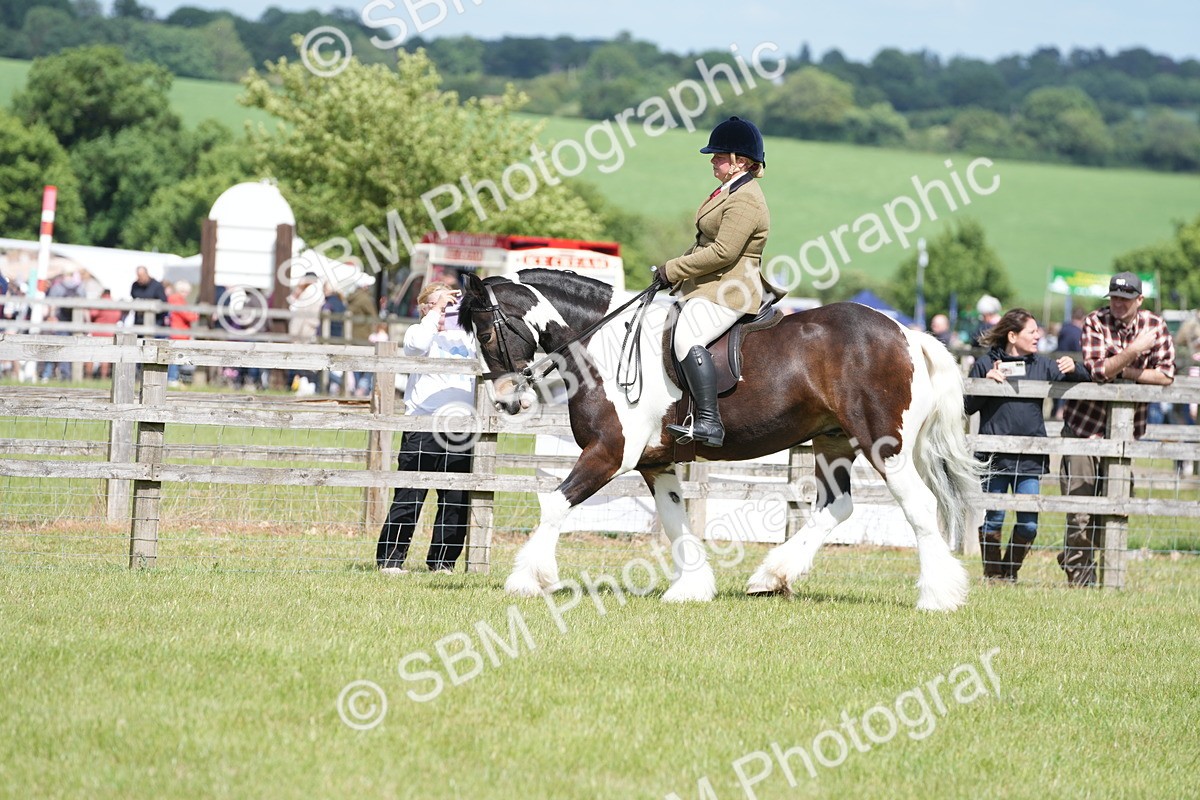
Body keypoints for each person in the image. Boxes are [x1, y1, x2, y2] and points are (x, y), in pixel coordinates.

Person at [656, 115, 774, 447]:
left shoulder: (746, 199)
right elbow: (704, 243)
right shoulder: (729, 191)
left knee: (686, 339)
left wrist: (674, 269)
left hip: (732, 288)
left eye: (720, 156)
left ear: (742, 163)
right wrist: (672, 275)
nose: (713, 161)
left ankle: (710, 422)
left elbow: (723, 251)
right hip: (710, 284)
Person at [1059, 272, 1175, 586]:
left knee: (1115, 507)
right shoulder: (1096, 322)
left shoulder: (1156, 325)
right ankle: (1080, 579)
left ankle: (1093, 570)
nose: (1118, 304)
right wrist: (1136, 350)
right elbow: (1098, 371)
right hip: (1085, 427)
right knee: (1080, 509)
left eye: (1125, 299)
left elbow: (1166, 375)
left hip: (1125, 434)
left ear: (1140, 300)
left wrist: (1123, 367)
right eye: (1114, 298)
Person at [965, 308, 1090, 582]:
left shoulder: (1042, 364)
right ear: (1012, 335)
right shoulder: (986, 363)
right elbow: (967, 406)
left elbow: (1084, 377)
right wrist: (985, 384)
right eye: (1032, 332)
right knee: (994, 519)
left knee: (1029, 524)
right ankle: (993, 574)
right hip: (995, 456)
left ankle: (1010, 570)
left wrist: (1074, 366)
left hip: (1030, 458)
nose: (1038, 336)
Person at [376, 283, 477, 574]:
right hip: (423, 424)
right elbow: (416, 346)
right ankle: (391, 560)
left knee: (455, 499)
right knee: (410, 495)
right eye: (441, 304)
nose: (448, 309)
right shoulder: (419, 332)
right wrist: (435, 312)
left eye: (451, 304)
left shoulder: (468, 339)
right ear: (425, 307)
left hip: (461, 426)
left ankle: (443, 563)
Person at [166, 280, 197, 387]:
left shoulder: (175, 299)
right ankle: (172, 378)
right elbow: (188, 315)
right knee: (175, 355)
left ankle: (174, 377)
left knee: (176, 355)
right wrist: (195, 315)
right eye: (185, 291)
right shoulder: (177, 299)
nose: (186, 294)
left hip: (179, 330)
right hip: (178, 331)